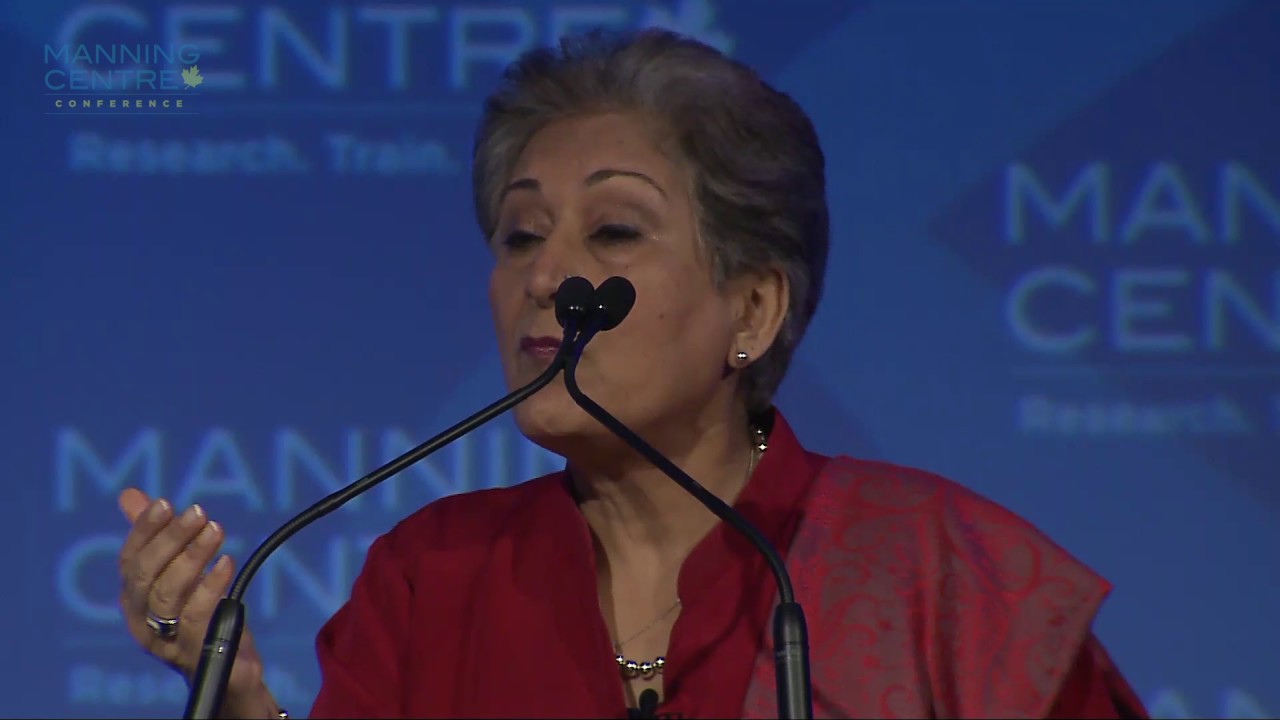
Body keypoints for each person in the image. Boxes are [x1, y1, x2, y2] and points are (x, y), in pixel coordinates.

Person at [115, 28, 1150, 719]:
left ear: (752, 308)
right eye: (520, 236)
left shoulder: (940, 573)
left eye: (613, 231)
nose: (546, 278)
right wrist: (240, 700)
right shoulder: (434, 578)